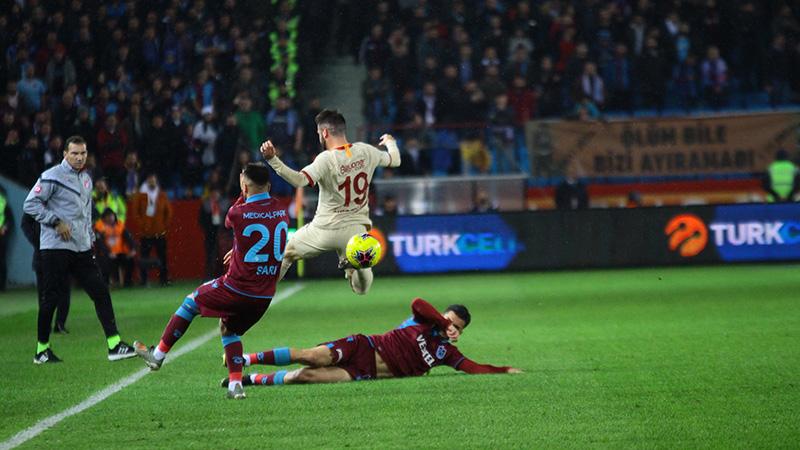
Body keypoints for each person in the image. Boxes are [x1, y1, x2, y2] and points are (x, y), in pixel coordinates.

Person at [134, 163, 289, 400]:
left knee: (191, 301)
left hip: (237, 287)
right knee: (229, 327)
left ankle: (159, 355)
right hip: (264, 296)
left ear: (244, 185)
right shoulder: (281, 210)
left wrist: (242, 192)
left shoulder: (237, 213)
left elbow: (233, 222)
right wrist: (239, 251)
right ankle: (235, 385)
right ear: (268, 185)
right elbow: (260, 233)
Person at [220, 297, 521, 388]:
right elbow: (417, 302)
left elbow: (473, 368)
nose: (450, 327)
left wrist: (504, 370)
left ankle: (252, 379)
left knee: (306, 376)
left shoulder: (445, 352)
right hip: (364, 346)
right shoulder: (424, 320)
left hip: (367, 372)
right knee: (312, 357)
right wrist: (442, 322)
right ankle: (245, 359)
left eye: (456, 326)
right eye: (449, 320)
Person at [259, 109, 400, 295]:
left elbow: (300, 180)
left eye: (319, 133)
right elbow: (395, 160)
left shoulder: (326, 158)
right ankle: (357, 267)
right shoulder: (366, 151)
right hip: (356, 231)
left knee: (287, 253)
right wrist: (390, 142)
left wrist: (273, 160)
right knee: (361, 289)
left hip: (325, 228)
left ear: (324, 133)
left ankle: (258, 294)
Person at [22, 135, 136, 364]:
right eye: (74, 153)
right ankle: (41, 350)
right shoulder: (51, 176)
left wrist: (90, 237)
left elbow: (84, 215)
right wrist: (55, 221)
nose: (79, 157)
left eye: (83, 153)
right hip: (55, 247)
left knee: (101, 291)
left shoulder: (86, 179)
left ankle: (114, 345)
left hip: (80, 248)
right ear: (64, 154)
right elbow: (30, 204)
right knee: (51, 298)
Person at [21, 213, 72, 333]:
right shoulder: (37, 202)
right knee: (45, 293)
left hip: (62, 251)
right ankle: (46, 324)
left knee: (64, 289)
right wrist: (37, 239)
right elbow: (25, 223)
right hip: (42, 256)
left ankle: (60, 324)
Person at [133, 174, 172, 286]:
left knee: (162, 257)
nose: (152, 183)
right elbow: (136, 213)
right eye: (150, 181)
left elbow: (168, 212)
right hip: (146, 233)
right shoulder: (141, 196)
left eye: (153, 181)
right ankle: (144, 280)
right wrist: (143, 225)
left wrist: (164, 226)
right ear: (146, 182)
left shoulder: (162, 195)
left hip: (160, 232)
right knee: (144, 258)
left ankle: (163, 280)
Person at [94, 208, 136, 287]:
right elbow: (100, 244)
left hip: (120, 253)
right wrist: (109, 253)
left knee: (130, 261)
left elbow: (129, 238)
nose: (111, 218)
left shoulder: (120, 225)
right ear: (104, 217)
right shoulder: (99, 227)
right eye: (108, 216)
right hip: (105, 253)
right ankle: (106, 283)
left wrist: (133, 249)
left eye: (112, 216)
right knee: (104, 262)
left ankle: (127, 282)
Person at [0, 185, 10, 291]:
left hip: (1, 236)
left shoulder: (3, 202)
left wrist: (4, 228)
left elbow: (9, 219)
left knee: (2, 260)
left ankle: (2, 286)